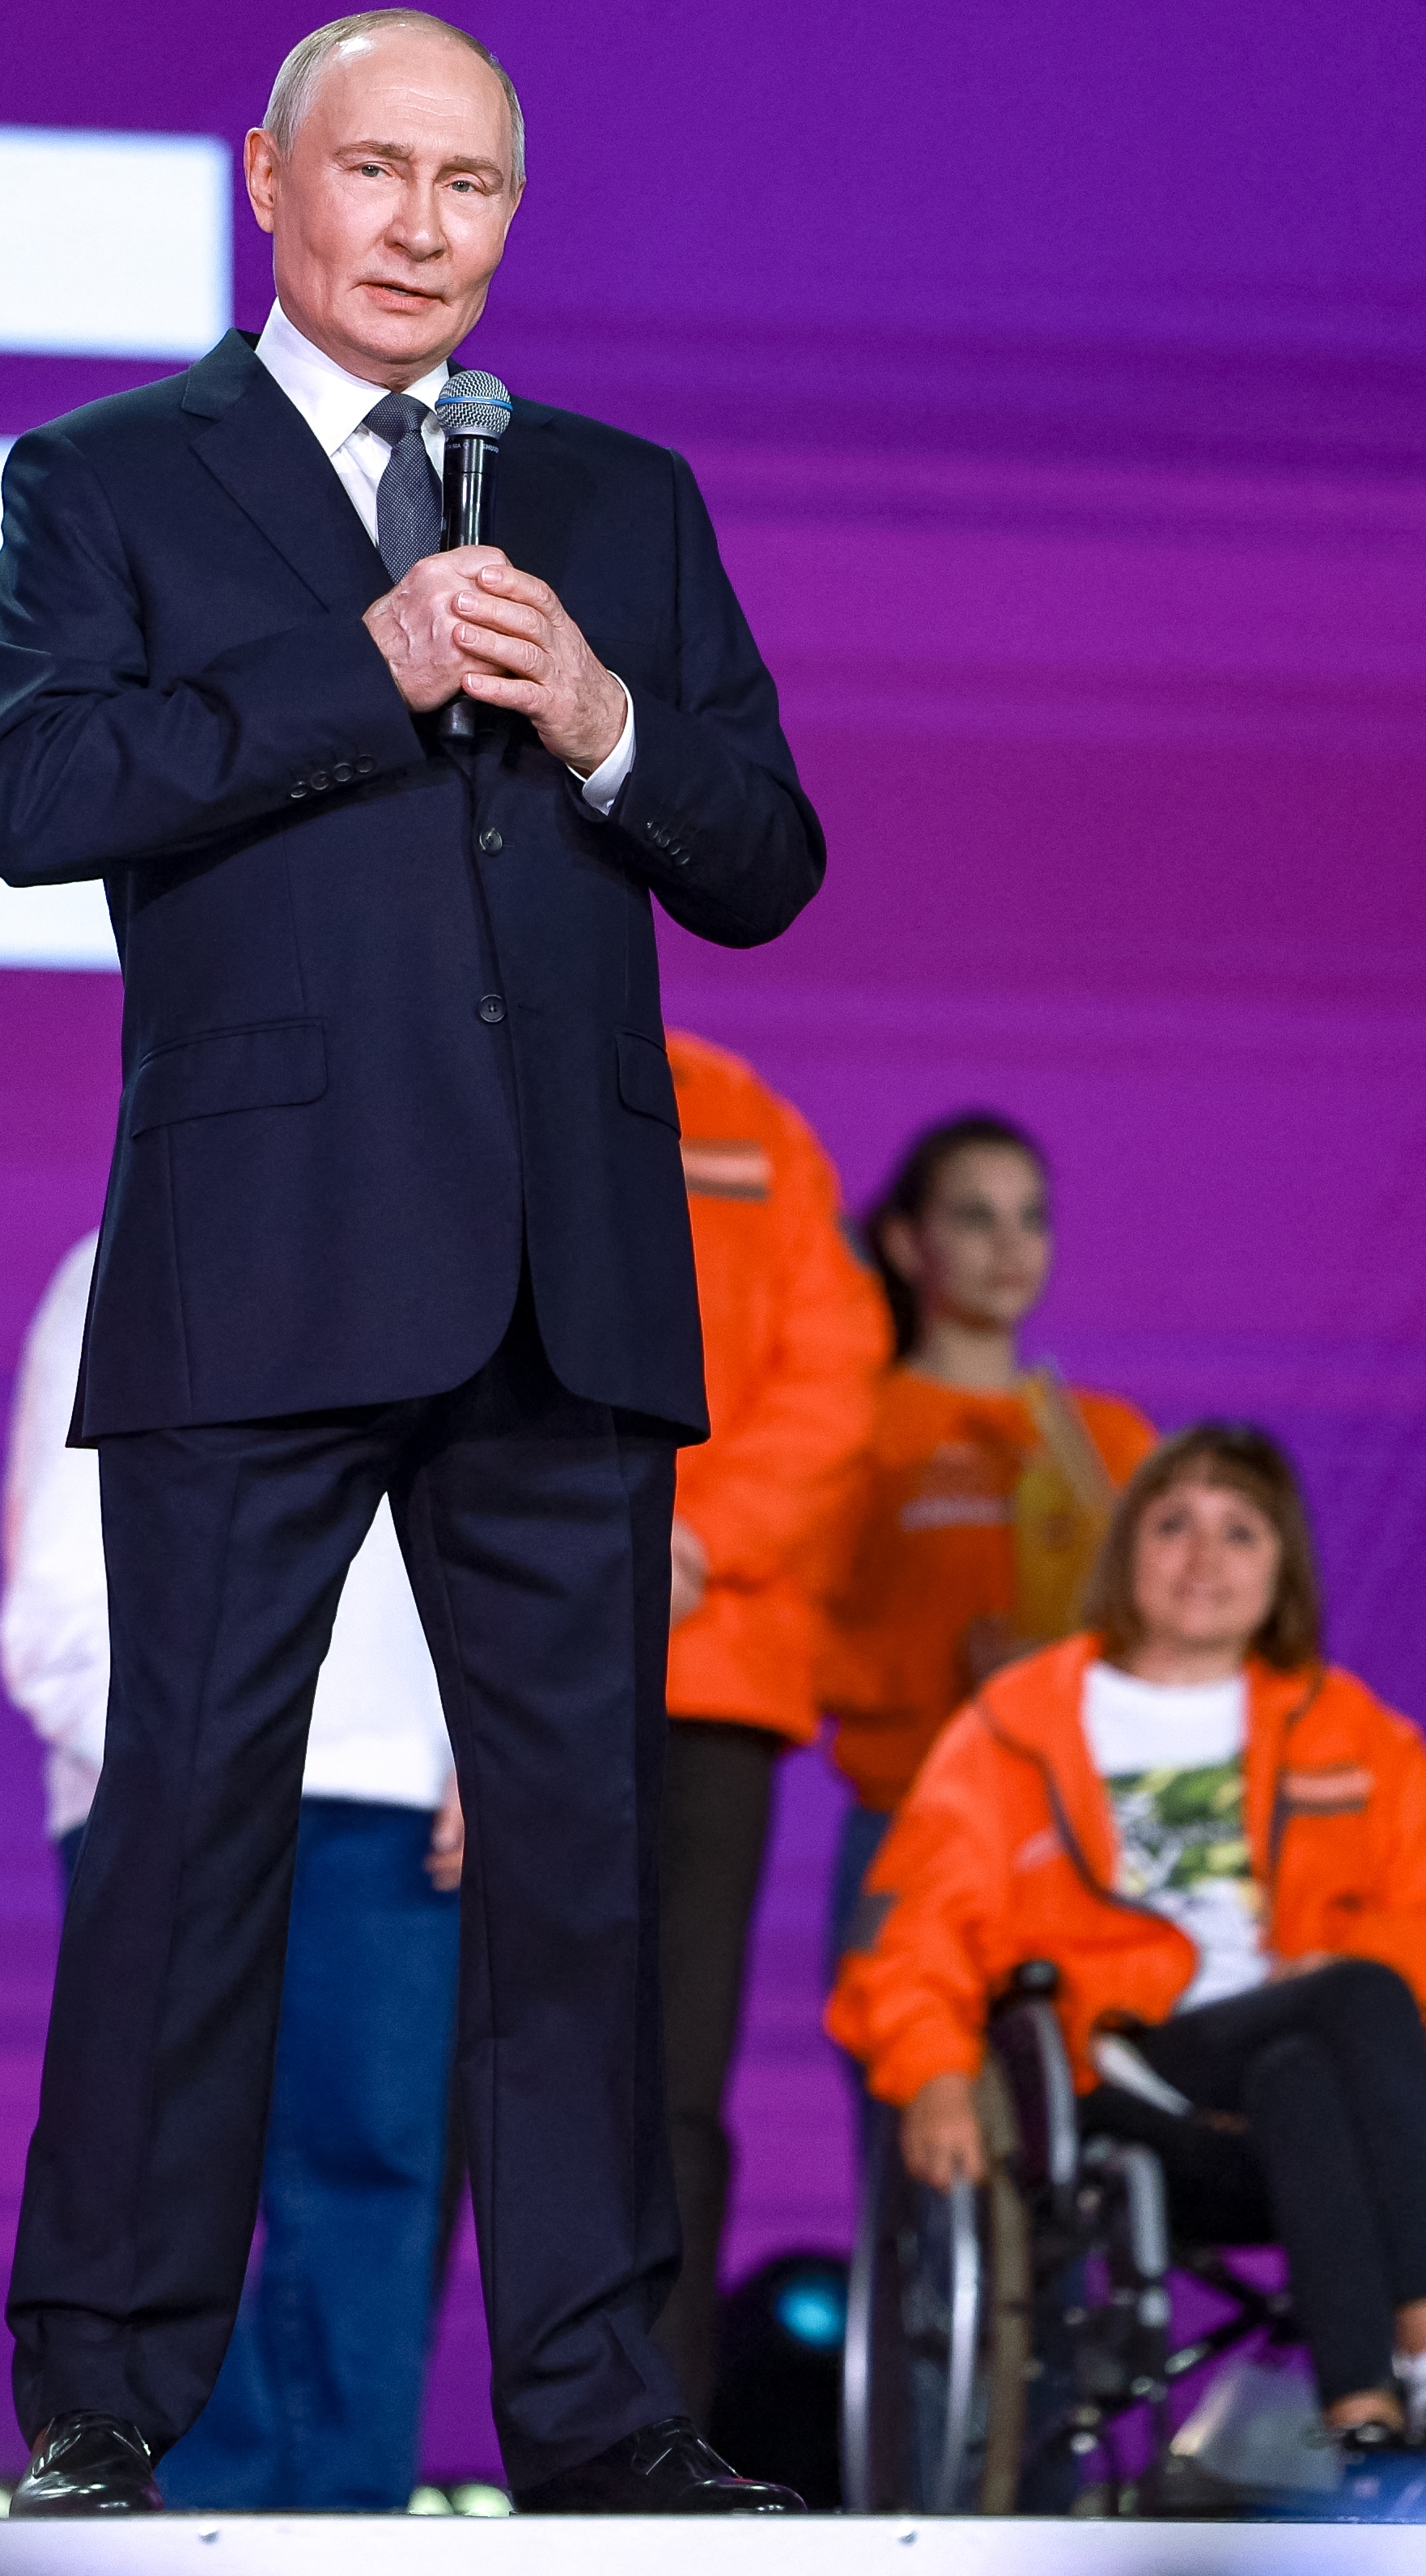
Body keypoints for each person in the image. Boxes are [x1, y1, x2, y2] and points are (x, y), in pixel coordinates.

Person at [0, 9, 827, 2517]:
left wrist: (602, 719)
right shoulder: (112, 475)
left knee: (574, 1864)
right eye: (375, 171)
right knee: (186, 1835)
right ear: (269, 178)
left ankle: (600, 2408)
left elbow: (764, 854)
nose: (421, 227)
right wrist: (356, 668)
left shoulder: (614, 496)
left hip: (561, 1263)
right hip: (257, 1253)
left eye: (468, 186)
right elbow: (37, 789)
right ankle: (105, 2394)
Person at [832, 1424, 1426, 2476]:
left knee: (1312, 2050)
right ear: (1124, 1551)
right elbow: (918, 1923)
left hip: (1331, 2071)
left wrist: (1332, 1973)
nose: (1205, 1558)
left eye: (1241, 1532)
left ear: (1282, 1569)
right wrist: (931, 2070)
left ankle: (1366, 2424)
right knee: (1353, 1999)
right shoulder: (1017, 1724)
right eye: (1173, 1526)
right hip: (1129, 2066)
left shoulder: (1351, 1729)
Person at [0, 1233, 461, 2514]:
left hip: (389, 1791)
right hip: (173, 1799)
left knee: (373, 2170)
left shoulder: (454, 1268)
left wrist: (478, 1745)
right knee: (159, 2167)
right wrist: (165, 1772)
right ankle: (166, 2506)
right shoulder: (126, 1257)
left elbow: (482, 1547)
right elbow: (58, 1577)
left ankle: (348, 2515)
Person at [647, 1031, 891, 2417]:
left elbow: (835, 1363)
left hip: (710, 1665)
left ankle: (652, 2442)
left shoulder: (749, 1119)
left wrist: (696, 1534)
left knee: (674, 2084)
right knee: (431, 2089)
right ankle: (360, 2460)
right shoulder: (458, 1065)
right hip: (482, 1662)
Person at [817, 1114, 1154, 1971]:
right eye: (975, 1217)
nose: (1010, 1244)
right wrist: (943, 1677)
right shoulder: (855, 1425)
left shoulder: (1108, 1439)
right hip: (913, 1812)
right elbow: (797, 1629)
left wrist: (1064, 1670)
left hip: (1088, 1826)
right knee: (910, 2053)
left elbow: (1179, 1641)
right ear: (905, 1244)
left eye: (1030, 1217)